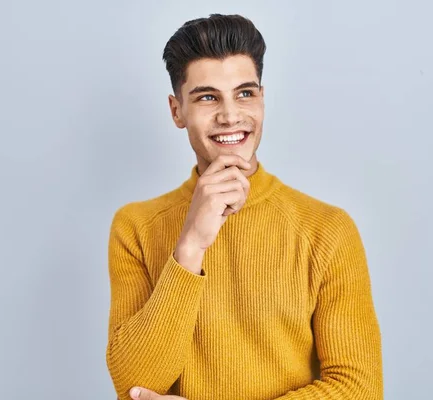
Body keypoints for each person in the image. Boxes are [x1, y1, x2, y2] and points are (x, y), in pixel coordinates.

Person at [106, 14, 383, 400]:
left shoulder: (328, 230)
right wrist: (190, 247)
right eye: (207, 97)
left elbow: (360, 389)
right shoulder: (136, 227)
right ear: (176, 111)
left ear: (262, 99)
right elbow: (134, 385)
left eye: (244, 93)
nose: (230, 115)